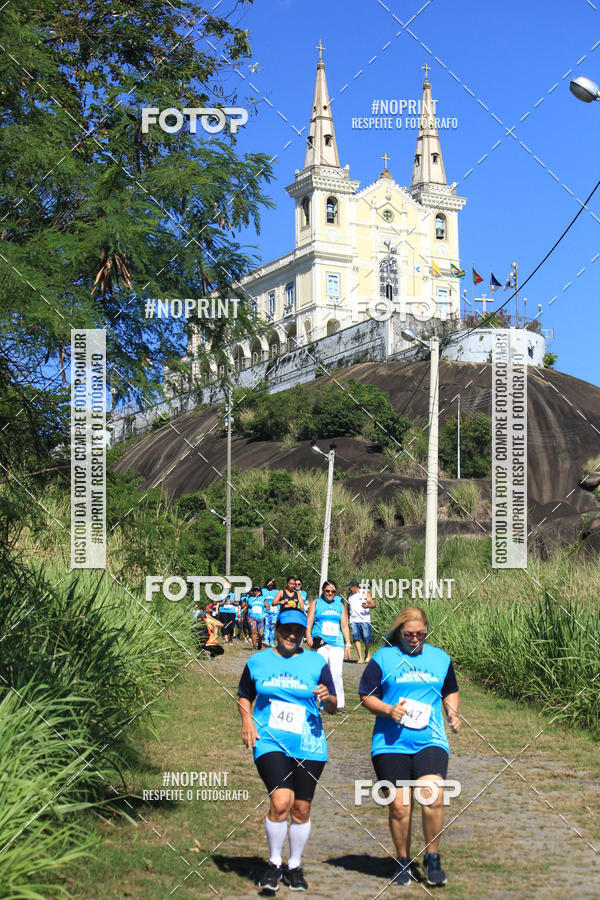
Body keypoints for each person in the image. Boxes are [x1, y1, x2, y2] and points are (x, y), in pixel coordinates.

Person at [358, 605, 460, 887]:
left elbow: (450, 690)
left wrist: (452, 712)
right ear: (399, 632)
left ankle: (432, 857)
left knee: (433, 796)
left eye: (420, 634)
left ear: (426, 631)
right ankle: (402, 860)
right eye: (409, 635)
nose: (415, 639)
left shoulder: (440, 658)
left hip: (430, 739)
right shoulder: (384, 658)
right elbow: (366, 695)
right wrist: (389, 710)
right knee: (399, 806)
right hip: (390, 743)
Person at [237, 605, 337, 892]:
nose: (291, 635)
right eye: (286, 629)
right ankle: (273, 864)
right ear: (277, 629)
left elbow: (333, 706)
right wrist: (247, 720)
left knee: (301, 809)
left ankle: (293, 866)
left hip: (308, 742)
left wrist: (327, 697)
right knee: (281, 801)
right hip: (270, 740)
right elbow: (244, 694)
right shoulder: (257, 661)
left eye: (297, 631)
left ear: (303, 634)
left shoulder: (316, 662)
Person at [306, 580, 352, 713]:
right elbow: (309, 622)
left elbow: (344, 625)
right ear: (323, 591)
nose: (330, 593)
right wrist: (308, 636)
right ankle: (323, 704)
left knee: (336, 673)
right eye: (327, 591)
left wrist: (348, 644)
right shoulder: (316, 603)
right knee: (321, 674)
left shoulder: (340, 604)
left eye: (333, 591)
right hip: (320, 643)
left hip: (336, 643)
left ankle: (339, 704)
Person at [346, 579, 375, 663]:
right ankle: (360, 657)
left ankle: (367, 651)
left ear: (355, 586)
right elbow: (348, 608)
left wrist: (367, 606)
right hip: (353, 620)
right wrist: (347, 619)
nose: (349, 588)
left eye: (350, 587)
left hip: (364, 620)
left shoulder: (364, 593)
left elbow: (373, 604)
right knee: (356, 638)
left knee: (366, 638)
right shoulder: (349, 595)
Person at [246, 585, 267, 650]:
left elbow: (267, 606)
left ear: (260, 592)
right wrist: (241, 616)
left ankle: (260, 641)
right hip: (251, 617)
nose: (256, 592)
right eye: (255, 590)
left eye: (257, 590)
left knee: (261, 633)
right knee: (253, 631)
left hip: (261, 618)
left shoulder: (263, 598)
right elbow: (246, 608)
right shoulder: (250, 599)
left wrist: (265, 612)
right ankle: (254, 646)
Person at [263, 579, 279, 647]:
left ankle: (272, 641)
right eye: (269, 585)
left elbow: (279, 601)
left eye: (272, 585)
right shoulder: (263, 591)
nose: (270, 586)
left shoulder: (276, 592)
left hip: (274, 612)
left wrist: (279, 610)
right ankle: (266, 640)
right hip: (266, 611)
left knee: (272, 627)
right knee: (266, 626)